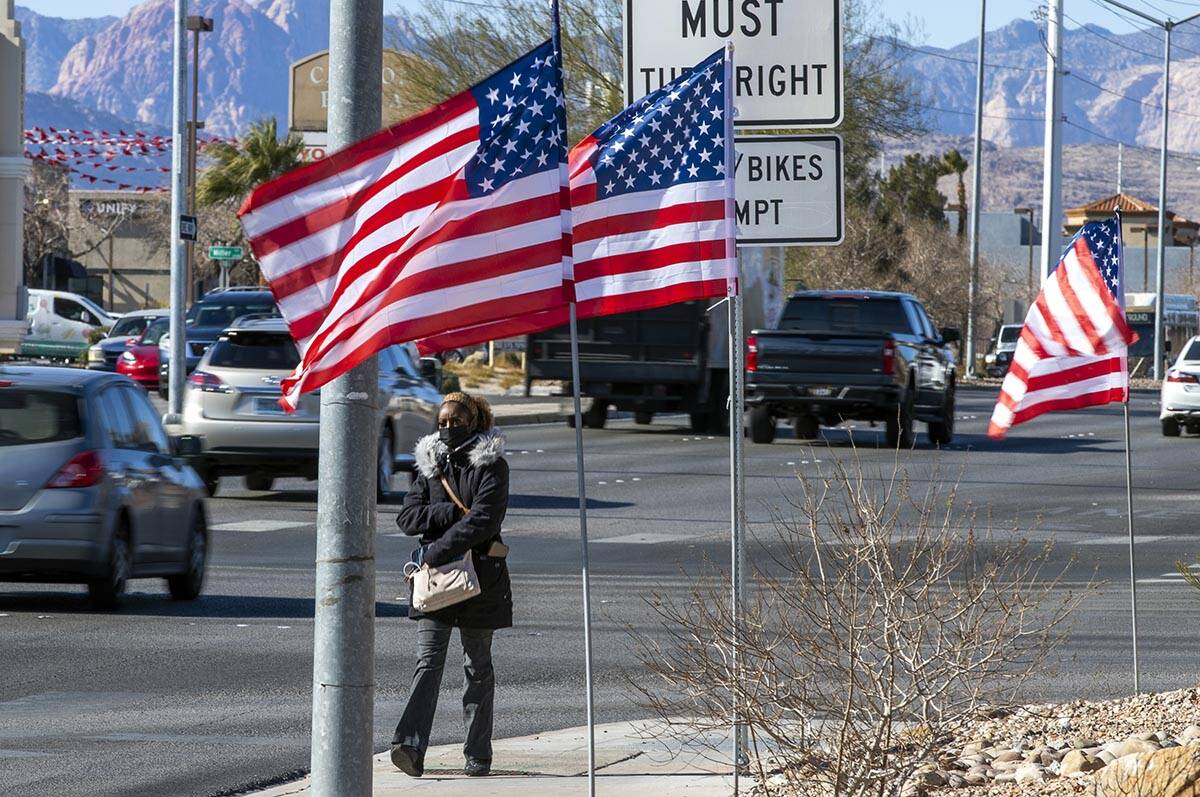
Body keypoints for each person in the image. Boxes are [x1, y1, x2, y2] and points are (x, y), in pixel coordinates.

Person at [390, 391, 512, 778]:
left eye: (456, 422)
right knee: (428, 662)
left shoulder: (493, 467)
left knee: (477, 667)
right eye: (442, 422)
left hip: (481, 580)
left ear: (473, 423)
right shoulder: (428, 466)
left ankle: (477, 755)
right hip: (437, 584)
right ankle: (408, 746)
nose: (447, 429)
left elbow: (484, 522)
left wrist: (432, 551)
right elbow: (407, 518)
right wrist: (444, 512)